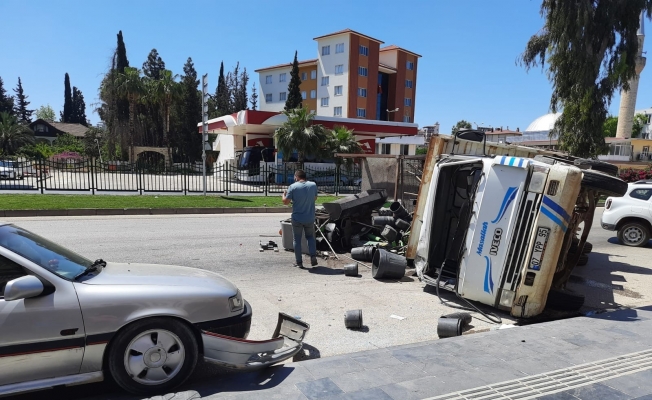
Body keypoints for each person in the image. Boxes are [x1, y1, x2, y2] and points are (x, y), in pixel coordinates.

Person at [282, 169, 318, 268]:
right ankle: (313, 256)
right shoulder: (313, 185)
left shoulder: (292, 187)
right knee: (310, 237)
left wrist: (283, 194)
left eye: (294, 177)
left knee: (296, 239)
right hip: (310, 217)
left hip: (297, 218)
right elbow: (315, 198)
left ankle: (299, 262)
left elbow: (286, 202)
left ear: (297, 177)